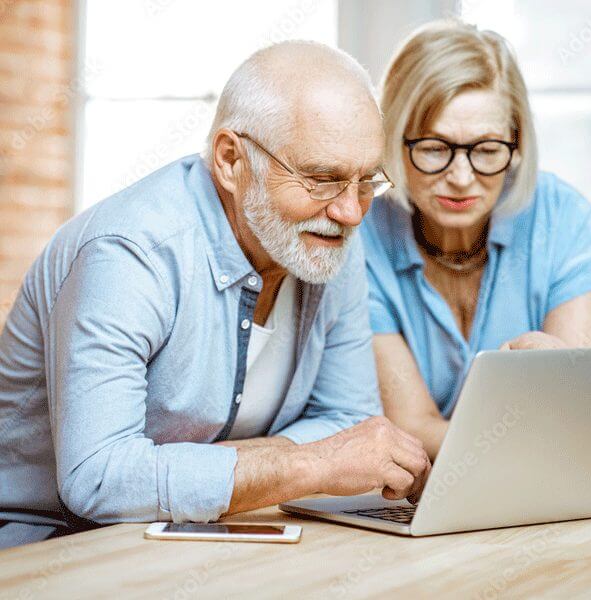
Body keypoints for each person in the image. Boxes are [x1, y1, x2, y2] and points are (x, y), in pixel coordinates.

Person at [0, 41, 429, 549]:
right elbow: (100, 477)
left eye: (366, 182)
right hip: (52, 543)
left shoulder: (329, 239)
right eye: (321, 178)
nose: (351, 212)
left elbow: (350, 422)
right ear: (231, 160)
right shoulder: (130, 252)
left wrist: (243, 473)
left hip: (212, 532)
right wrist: (311, 462)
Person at [360, 21, 591, 504]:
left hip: (546, 499)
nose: (461, 177)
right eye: (434, 148)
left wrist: (580, 428)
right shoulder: (364, 240)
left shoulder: (564, 218)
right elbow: (412, 430)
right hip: (428, 499)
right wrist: (563, 448)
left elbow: (586, 412)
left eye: (487, 150)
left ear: (517, 146)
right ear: (394, 141)